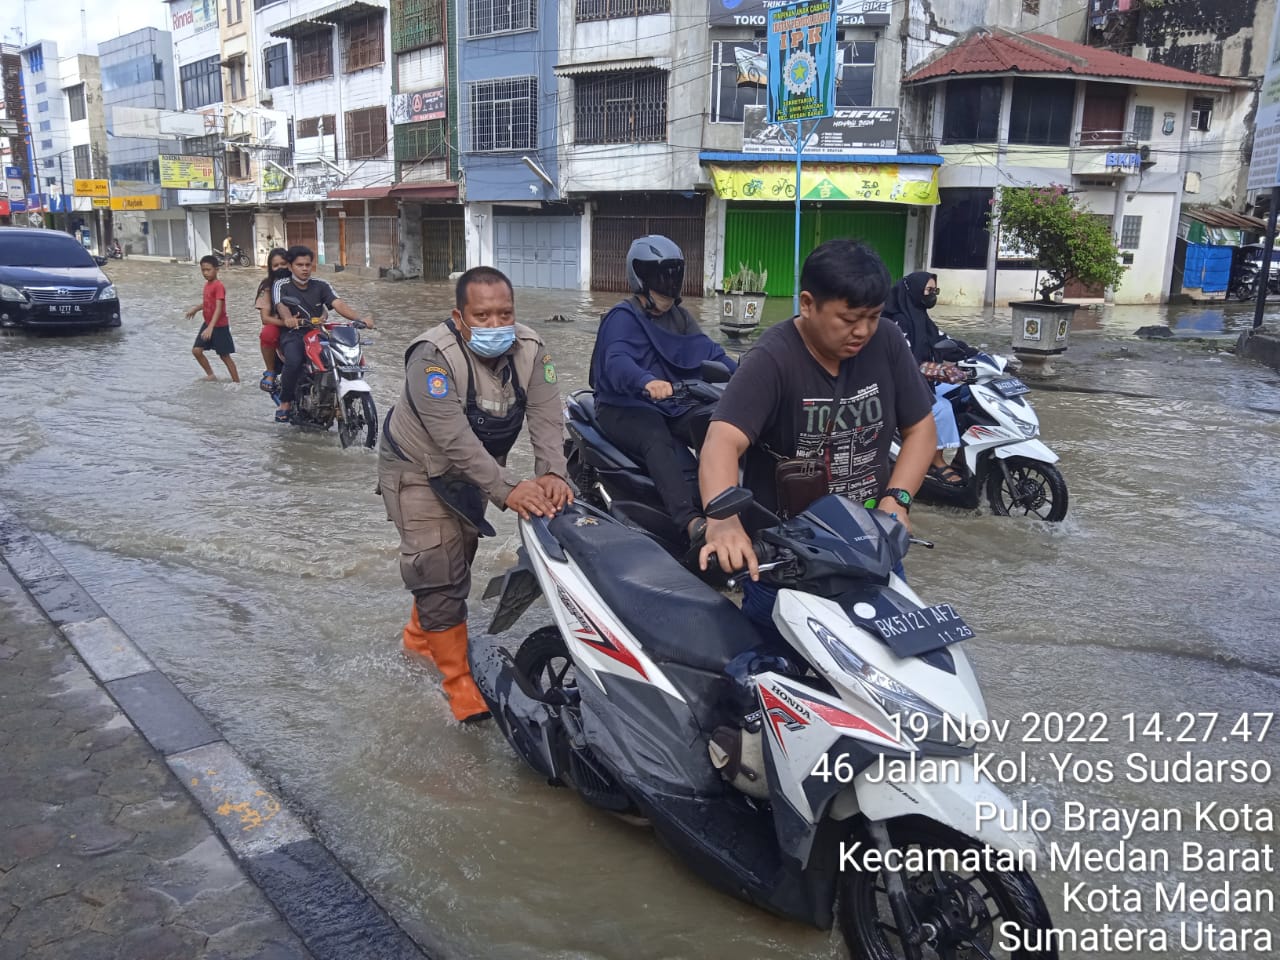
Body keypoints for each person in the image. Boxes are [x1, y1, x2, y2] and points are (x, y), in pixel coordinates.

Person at [697, 239, 936, 629]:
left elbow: (922, 429)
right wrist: (723, 522)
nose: (862, 330)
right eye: (849, 318)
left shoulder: (888, 341)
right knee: (762, 673)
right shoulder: (772, 358)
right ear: (808, 304)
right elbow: (721, 441)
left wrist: (898, 499)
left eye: (873, 316)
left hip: (871, 548)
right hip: (787, 562)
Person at [378, 266, 573, 723]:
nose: (495, 324)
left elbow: (547, 416)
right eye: (481, 316)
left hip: (477, 470)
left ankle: (418, 636)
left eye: (504, 313)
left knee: (455, 555)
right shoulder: (431, 357)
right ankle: (457, 681)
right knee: (438, 564)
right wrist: (510, 489)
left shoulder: (530, 349)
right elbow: (453, 440)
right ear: (459, 317)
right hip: (418, 467)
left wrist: (553, 474)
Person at [589, 235, 738, 546]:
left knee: (715, 424)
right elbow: (616, 361)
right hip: (623, 406)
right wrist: (645, 381)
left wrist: (746, 373)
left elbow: (711, 353)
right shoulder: (622, 317)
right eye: (661, 278)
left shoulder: (680, 318)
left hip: (673, 403)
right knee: (654, 435)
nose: (669, 286)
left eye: (674, 276)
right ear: (641, 278)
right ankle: (689, 520)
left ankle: (728, 503)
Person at [882, 271, 979, 487]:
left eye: (935, 291)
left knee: (968, 398)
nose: (932, 295)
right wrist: (940, 371)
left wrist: (977, 356)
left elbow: (945, 342)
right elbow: (906, 362)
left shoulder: (922, 319)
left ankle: (962, 459)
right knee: (941, 407)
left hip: (923, 381)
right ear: (914, 291)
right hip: (899, 385)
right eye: (928, 291)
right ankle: (935, 461)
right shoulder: (898, 321)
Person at [272, 245, 372, 423]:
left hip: (318, 332)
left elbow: (338, 304)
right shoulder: (282, 285)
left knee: (345, 357)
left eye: (308, 265)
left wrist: (361, 318)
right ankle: (285, 402)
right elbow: (281, 305)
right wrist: (289, 319)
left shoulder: (321, 285)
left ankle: (338, 399)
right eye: (299, 265)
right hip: (293, 333)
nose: (304, 269)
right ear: (290, 266)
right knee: (294, 361)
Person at [185, 255, 240, 383]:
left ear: (216, 270)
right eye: (203, 270)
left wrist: (211, 328)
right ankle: (211, 374)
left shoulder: (218, 286)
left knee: (224, 356)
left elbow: (219, 308)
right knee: (196, 351)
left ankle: (237, 382)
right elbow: (208, 303)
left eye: (208, 270)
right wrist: (196, 309)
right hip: (208, 323)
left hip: (219, 326)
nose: (205, 273)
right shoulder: (207, 285)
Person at [255, 247, 290, 394]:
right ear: (270, 268)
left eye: (283, 263)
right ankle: (270, 372)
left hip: (304, 324)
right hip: (280, 325)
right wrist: (286, 322)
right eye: (275, 265)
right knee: (267, 333)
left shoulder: (301, 281)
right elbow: (265, 318)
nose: (280, 268)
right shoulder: (267, 286)